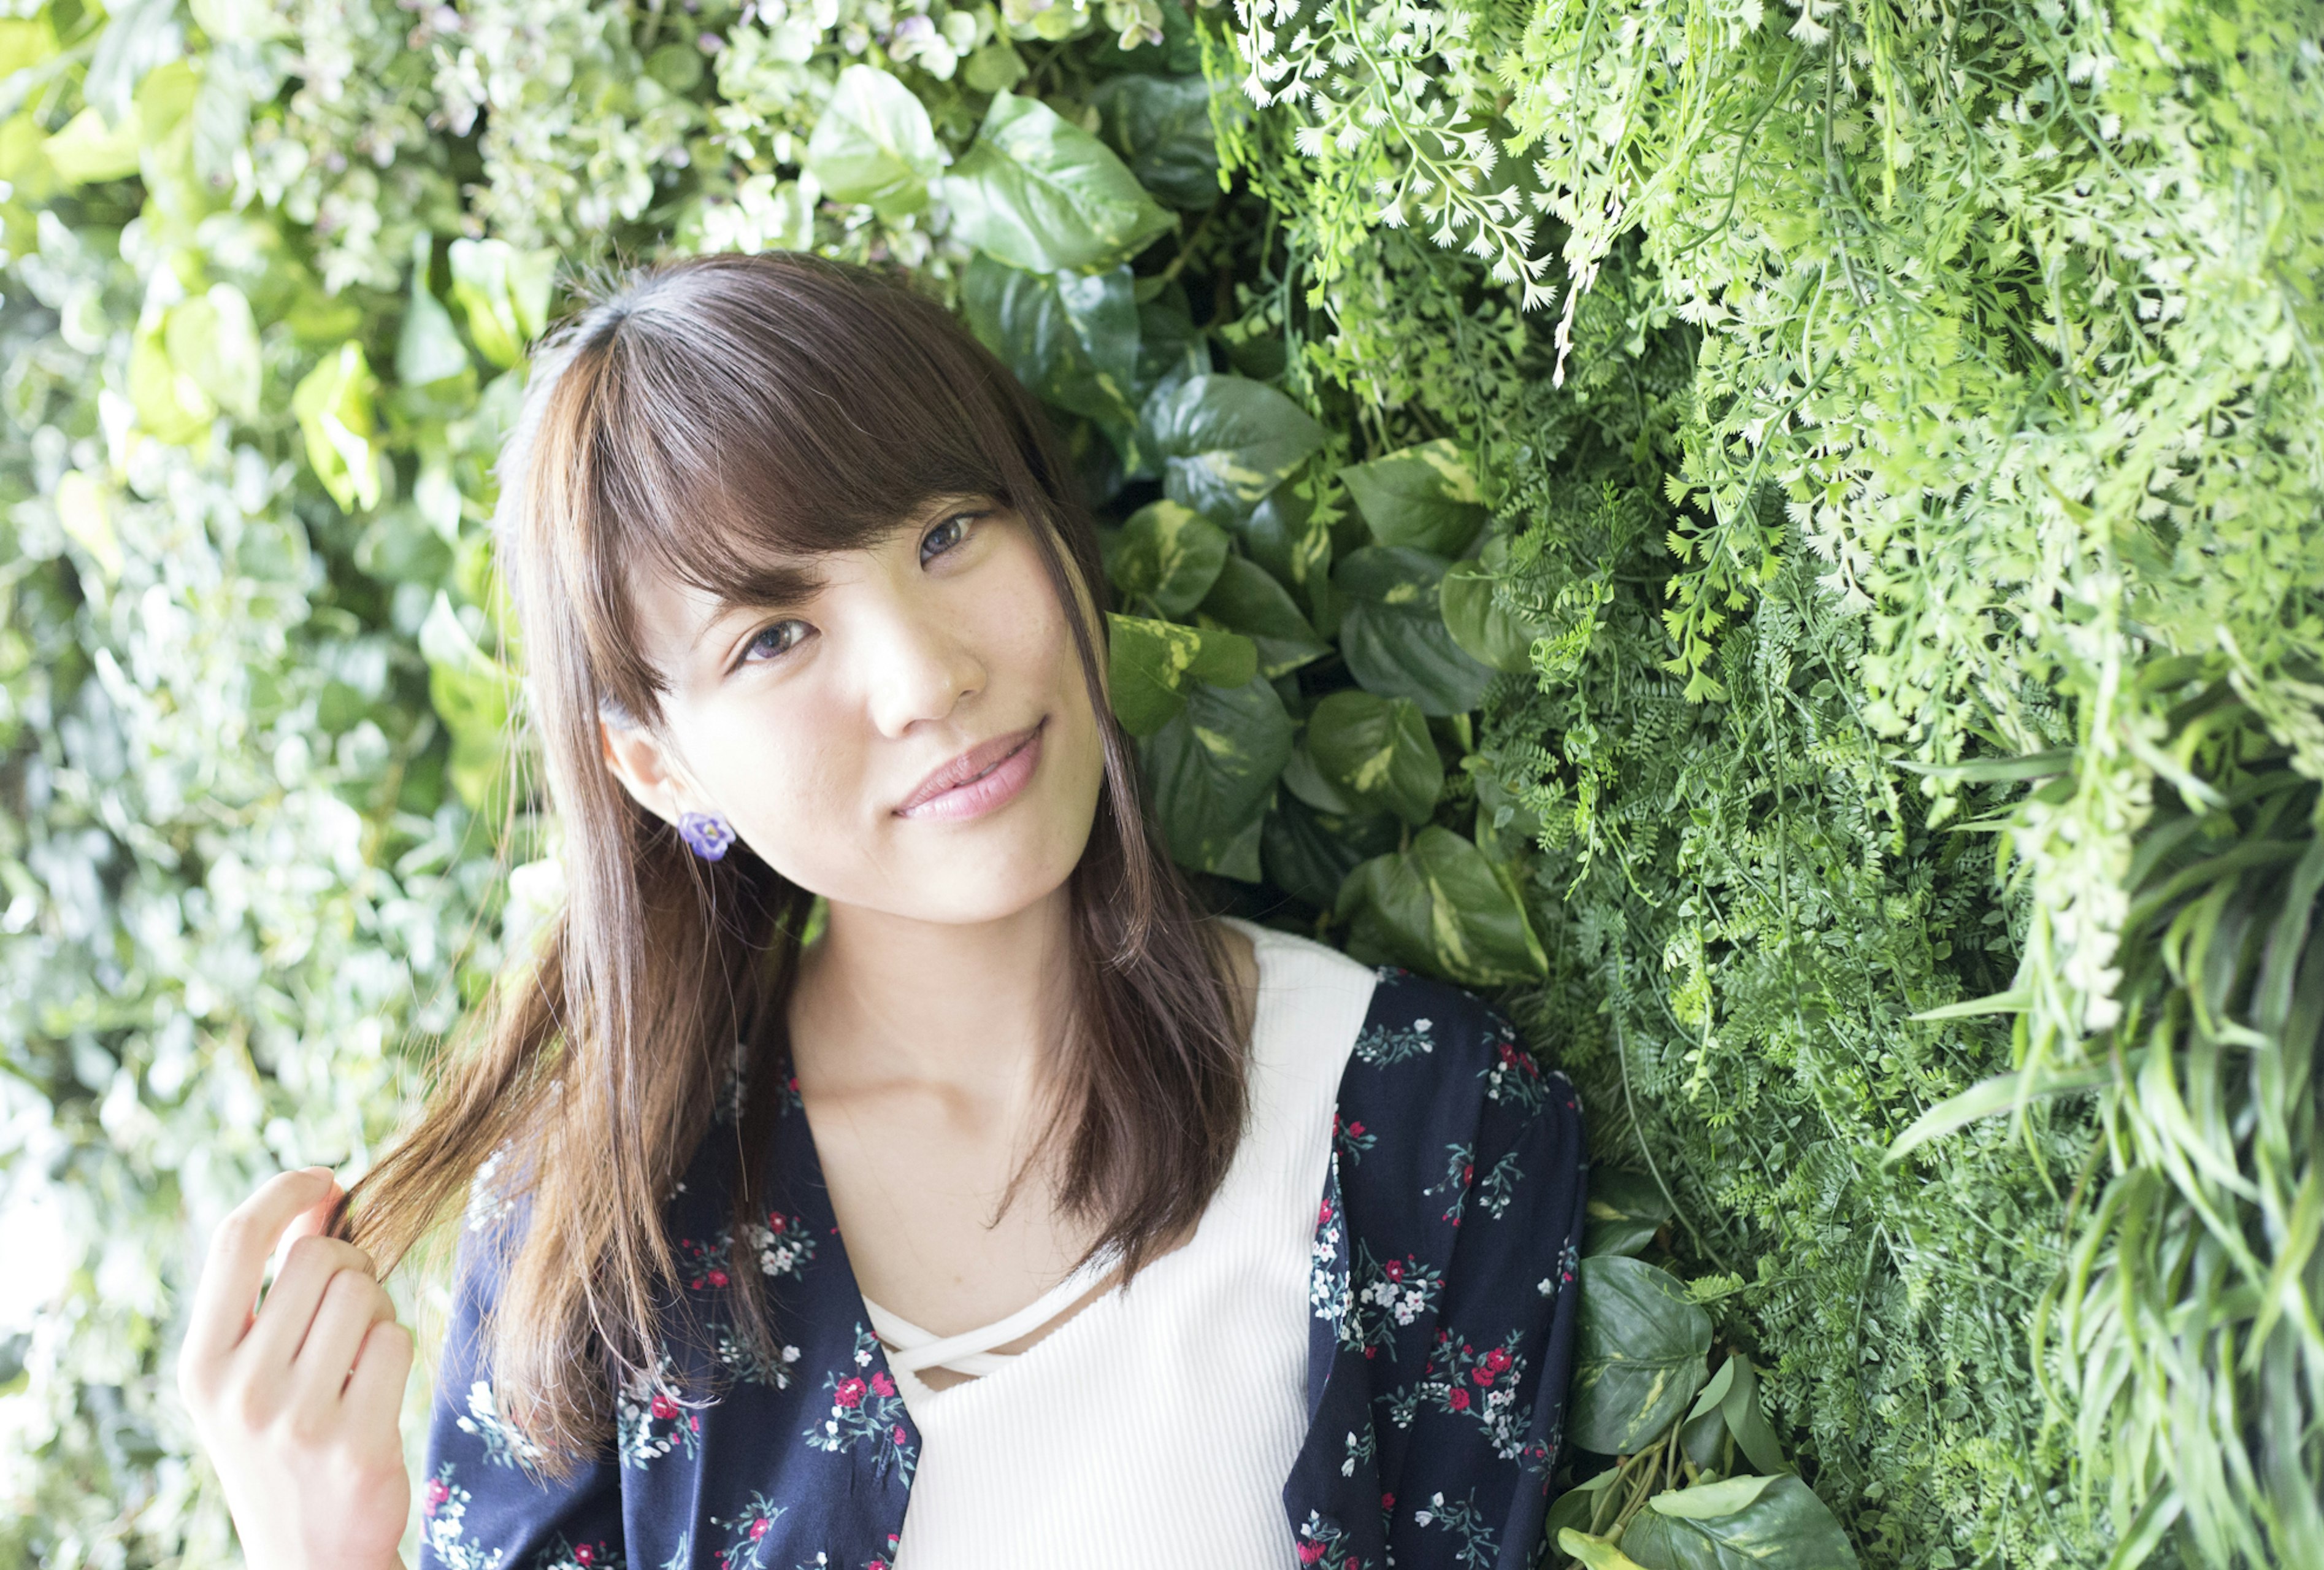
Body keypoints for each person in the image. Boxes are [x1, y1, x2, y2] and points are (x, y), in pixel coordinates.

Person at [174, 249, 1589, 1570]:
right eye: (774, 636)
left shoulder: (1418, 1121)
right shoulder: (602, 1237)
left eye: (951, 531)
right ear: (656, 763)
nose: (925, 678)